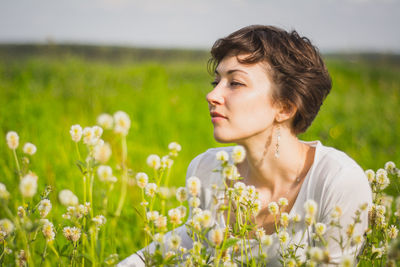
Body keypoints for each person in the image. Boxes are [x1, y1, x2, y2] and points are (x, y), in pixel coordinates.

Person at [119, 25, 372, 266]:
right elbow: (189, 242)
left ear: (285, 107)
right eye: (215, 82)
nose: (212, 95)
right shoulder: (207, 169)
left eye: (235, 83)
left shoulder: (337, 182)